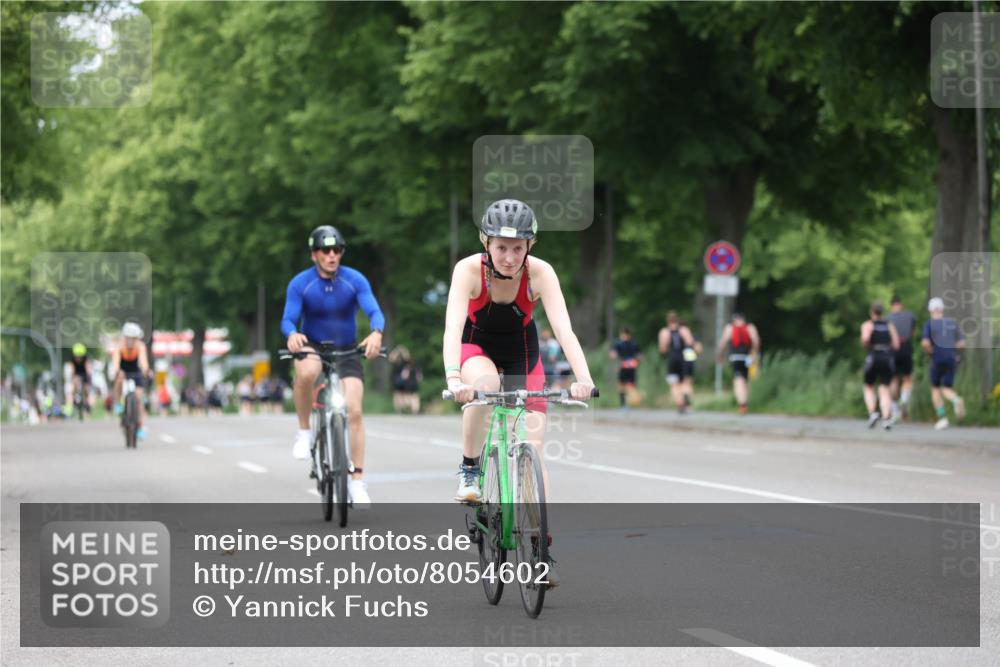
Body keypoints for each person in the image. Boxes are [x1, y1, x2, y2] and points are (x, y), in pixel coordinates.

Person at [443, 199, 596, 587]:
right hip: (475, 350)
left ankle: (540, 551)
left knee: (534, 445)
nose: (509, 257)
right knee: (485, 387)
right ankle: (470, 468)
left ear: (531, 245)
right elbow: (451, 328)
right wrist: (453, 378)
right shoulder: (468, 270)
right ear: (485, 242)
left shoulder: (541, 274)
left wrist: (583, 379)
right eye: (500, 247)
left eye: (518, 248)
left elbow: (565, 331)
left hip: (522, 354)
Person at [281, 225, 385, 508]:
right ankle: (304, 432)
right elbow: (288, 319)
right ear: (315, 254)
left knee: (355, 410)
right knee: (307, 372)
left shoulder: (354, 280)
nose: (332, 255)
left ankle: (357, 482)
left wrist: (376, 332)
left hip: (347, 348)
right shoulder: (301, 283)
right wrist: (292, 335)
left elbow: (374, 310)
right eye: (325, 250)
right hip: (314, 345)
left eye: (337, 250)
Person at [921, 297, 966, 430]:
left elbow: (925, 343)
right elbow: (963, 343)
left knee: (935, 388)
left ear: (931, 310)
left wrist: (931, 353)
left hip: (937, 358)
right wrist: (952, 348)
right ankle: (956, 400)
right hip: (951, 358)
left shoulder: (929, 324)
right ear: (942, 310)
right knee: (947, 388)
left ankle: (942, 418)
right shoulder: (952, 323)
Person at [860, 301, 900, 430]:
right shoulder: (889, 325)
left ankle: (873, 413)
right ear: (882, 312)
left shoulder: (868, 325)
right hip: (887, 358)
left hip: (874, 357)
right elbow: (896, 344)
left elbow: (865, 339)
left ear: (871, 312)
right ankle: (886, 418)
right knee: (884, 388)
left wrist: (868, 346)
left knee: (869, 386)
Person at [109, 322, 151, 440]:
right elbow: (116, 361)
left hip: (135, 370)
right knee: (119, 380)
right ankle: (118, 403)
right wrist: (117, 370)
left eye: (134, 338)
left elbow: (143, 361)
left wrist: (146, 370)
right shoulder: (119, 346)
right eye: (129, 338)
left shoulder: (140, 346)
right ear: (125, 337)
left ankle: (141, 427)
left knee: (139, 399)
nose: (131, 341)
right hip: (122, 369)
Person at [717, 312, 761, 415]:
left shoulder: (730, 328)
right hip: (748, 357)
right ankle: (745, 401)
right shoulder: (750, 327)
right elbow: (756, 341)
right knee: (746, 380)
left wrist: (720, 354)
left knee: (738, 380)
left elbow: (723, 341)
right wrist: (755, 354)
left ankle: (742, 404)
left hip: (735, 357)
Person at [886, 295, 917, 423]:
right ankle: (904, 399)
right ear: (901, 304)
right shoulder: (910, 316)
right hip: (906, 349)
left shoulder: (886, 319)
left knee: (892, 379)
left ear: (891, 305)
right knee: (907, 378)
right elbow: (913, 332)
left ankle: (895, 408)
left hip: (892, 351)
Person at [658, 311, 695, 413]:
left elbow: (663, 348)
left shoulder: (664, 332)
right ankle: (686, 396)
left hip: (672, 358)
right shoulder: (684, 330)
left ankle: (680, 404)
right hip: (684, 357)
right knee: (685, 381)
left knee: (674, 384)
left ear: (668, 321)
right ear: (677, 320)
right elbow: (690, 343)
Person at [609, 327, 641, 410]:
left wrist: (615, 358)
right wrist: (636, 362)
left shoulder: (619, 344)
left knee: (621, 386)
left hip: (623, 366)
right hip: (632, 366)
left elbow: (612, 355)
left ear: (622, 334)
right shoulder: (634, 343)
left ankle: (623, 405)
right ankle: (631, 403)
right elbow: (640, 356)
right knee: (631, 386)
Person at [389, 346, 423, 414]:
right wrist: (397, 350)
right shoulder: (395, 362)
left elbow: (407, 356)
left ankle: (404, 408)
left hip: (403, 379)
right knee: (397, 394)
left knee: (404, 394)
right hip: (396, 378)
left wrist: (402, 349)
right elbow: (391, 357)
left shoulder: (405, 362)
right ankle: (399, 409)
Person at [680, 320, 703, 410]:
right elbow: (699, 349)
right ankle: (687, 399)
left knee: (681, 381)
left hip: (680, 360)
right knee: (688, 381)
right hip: (690, 359)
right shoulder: (693, 336)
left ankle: (683, 399)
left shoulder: (677, 334)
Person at [66, 342, 92, 418]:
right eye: (77, 356)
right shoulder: (72, 359)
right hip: (77, 373)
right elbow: (72, 370)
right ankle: (74, 399)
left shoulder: (86, 358)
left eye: (80, 356)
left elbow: (88, 370)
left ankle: (87, 402)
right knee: (74, 384)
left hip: (85, 374)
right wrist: (73, 378)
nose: (78, 358)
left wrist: (88, 379)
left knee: (86, 388)